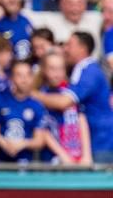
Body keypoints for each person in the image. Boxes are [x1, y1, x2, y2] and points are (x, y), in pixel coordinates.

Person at [33, 32, 113, 163]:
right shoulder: (81, 70)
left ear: (82, 48)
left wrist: (33, 95)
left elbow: (64, 102)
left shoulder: (89, 71)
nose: (65, 48)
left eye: (70, 45)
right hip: (92, 143)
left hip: (101, 142)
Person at [0, 59, 47, 163]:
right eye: (19, 75)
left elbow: (39, 140)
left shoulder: (37, 106)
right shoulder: (0, 100)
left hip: (25, 163)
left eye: (27, 75)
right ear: (11, 78)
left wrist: (22, 144)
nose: (24, 79)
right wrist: (4, 143)